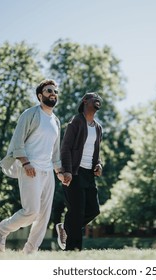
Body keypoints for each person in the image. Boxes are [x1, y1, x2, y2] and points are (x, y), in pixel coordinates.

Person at [0, 79, 66, 254]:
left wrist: (59, 173)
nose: (53, 93)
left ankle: (30, 252)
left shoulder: (56, 121)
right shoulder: (30, 114)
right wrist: (26, 162)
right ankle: (0, 230)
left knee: (44, 216)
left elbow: (55, 152)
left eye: (55, 91)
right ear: (40, 96)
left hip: (48, 172)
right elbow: (17, 142)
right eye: (48, 91)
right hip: (29, 168)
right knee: (31, 212)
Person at [57, 92, 103, 251]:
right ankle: (72, 251)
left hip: (89, 175)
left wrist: (98, 164)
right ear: (85, 101)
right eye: (94, 98)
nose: (98, 100)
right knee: (77, 213)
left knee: (93, 210)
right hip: (74, 173)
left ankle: (65, 227)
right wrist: (67, 171)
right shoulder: (76, 122)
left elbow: (96, 152)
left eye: (99, 99)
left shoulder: (98, 128)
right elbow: (65, 148)